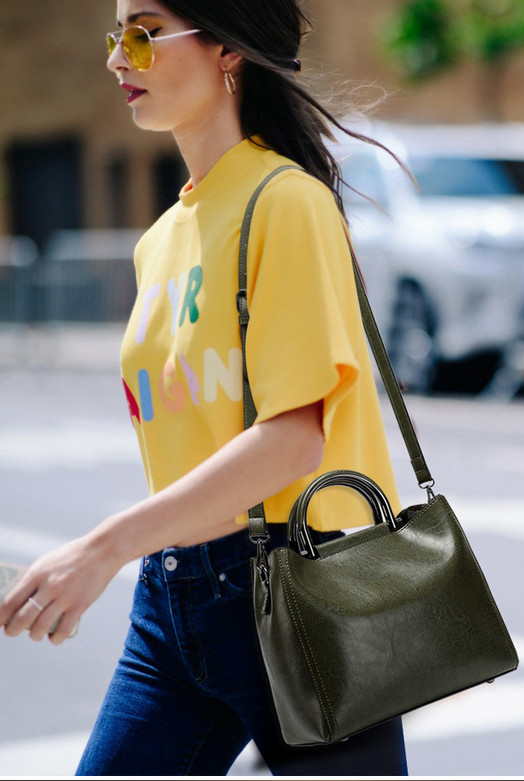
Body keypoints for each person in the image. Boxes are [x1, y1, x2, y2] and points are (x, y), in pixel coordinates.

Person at [0, 0, 409, 775]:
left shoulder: (286, 201)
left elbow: (293, 440)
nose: (117, 58)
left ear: (228, 49)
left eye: (144, 34)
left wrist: (101, 549)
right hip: (175, 599)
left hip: (304, 591)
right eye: (115, 36)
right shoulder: (160, 240)